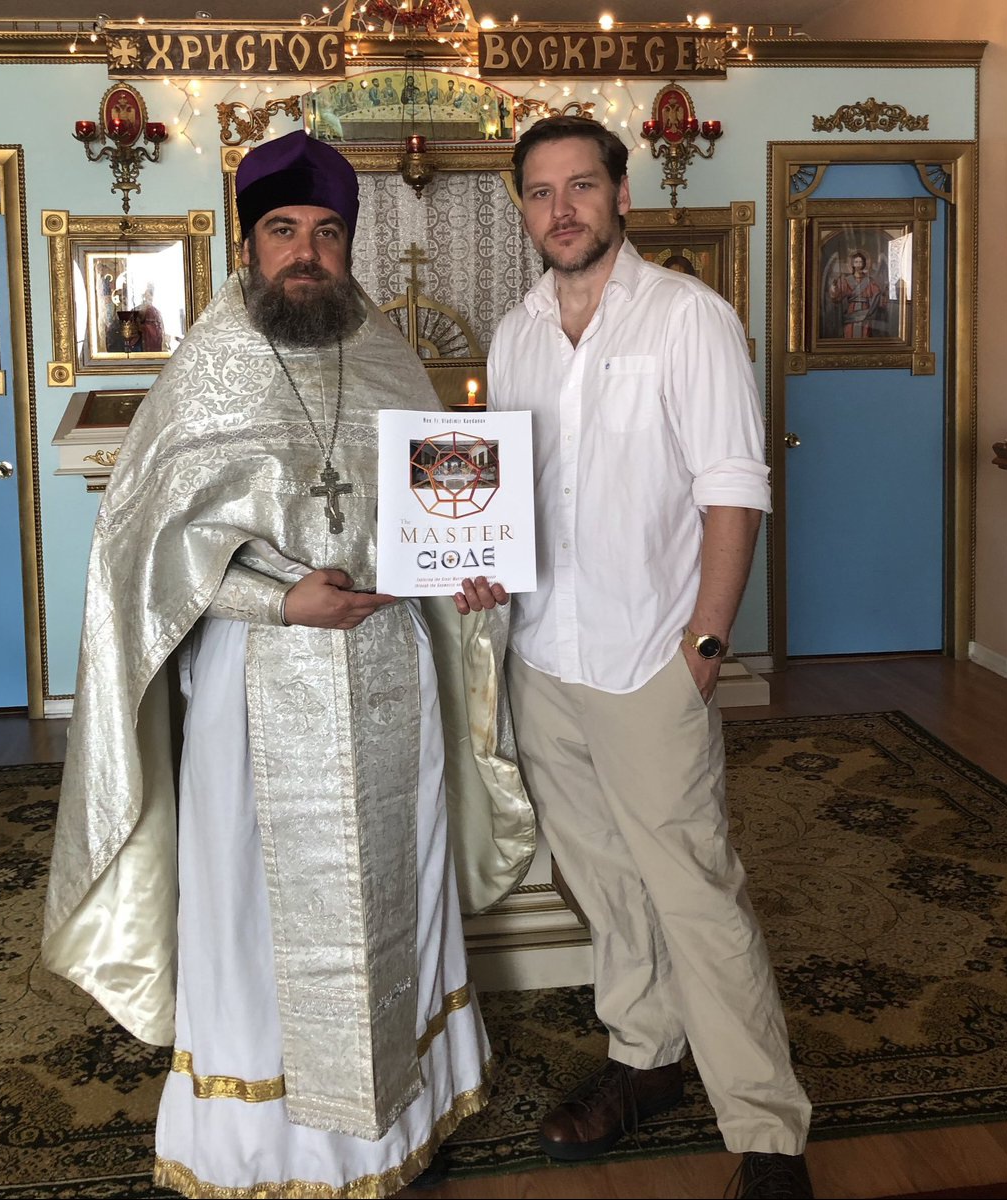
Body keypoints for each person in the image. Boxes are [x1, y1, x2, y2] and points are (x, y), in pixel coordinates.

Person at [42, 129, 534, 1199]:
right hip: (256, 681)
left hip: (390, 670)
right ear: (247, 244)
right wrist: (277, 597)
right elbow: (141, 554)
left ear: (347, 245)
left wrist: (468, 571)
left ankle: (398, 1126)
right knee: (253, 902)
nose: (306, 253)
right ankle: (262, 1148)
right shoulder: (206, 369)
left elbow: (439, 511)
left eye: (325, 233)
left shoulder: (388, 357)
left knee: (402, 880)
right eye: (283, 231)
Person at [456, 115, 813, 1199]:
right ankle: (645, 1054)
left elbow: (732, 488)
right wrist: (480, 564)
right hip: (543, 655)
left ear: (621, 195)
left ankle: (767, 1135)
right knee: (603, 884)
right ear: (523, 211)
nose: (560, 209)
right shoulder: (515, 334)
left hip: (651, 656)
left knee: (694, 891)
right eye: (539, 192)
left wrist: (705, 643)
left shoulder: (687, 318)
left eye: (580, 186)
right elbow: (509, 495)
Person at [828, 249, 886, 338]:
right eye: (856, 262)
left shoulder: (869, 281)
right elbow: (837, 294)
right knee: (850, 331)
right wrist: (834, 287)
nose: (858, 264)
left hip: (865, 311)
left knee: (865, 332)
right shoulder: (846, 280)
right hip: (851, 311)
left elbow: (877, 293)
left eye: (860, 262)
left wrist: (883, 292)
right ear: (852, 264)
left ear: (864, 263)